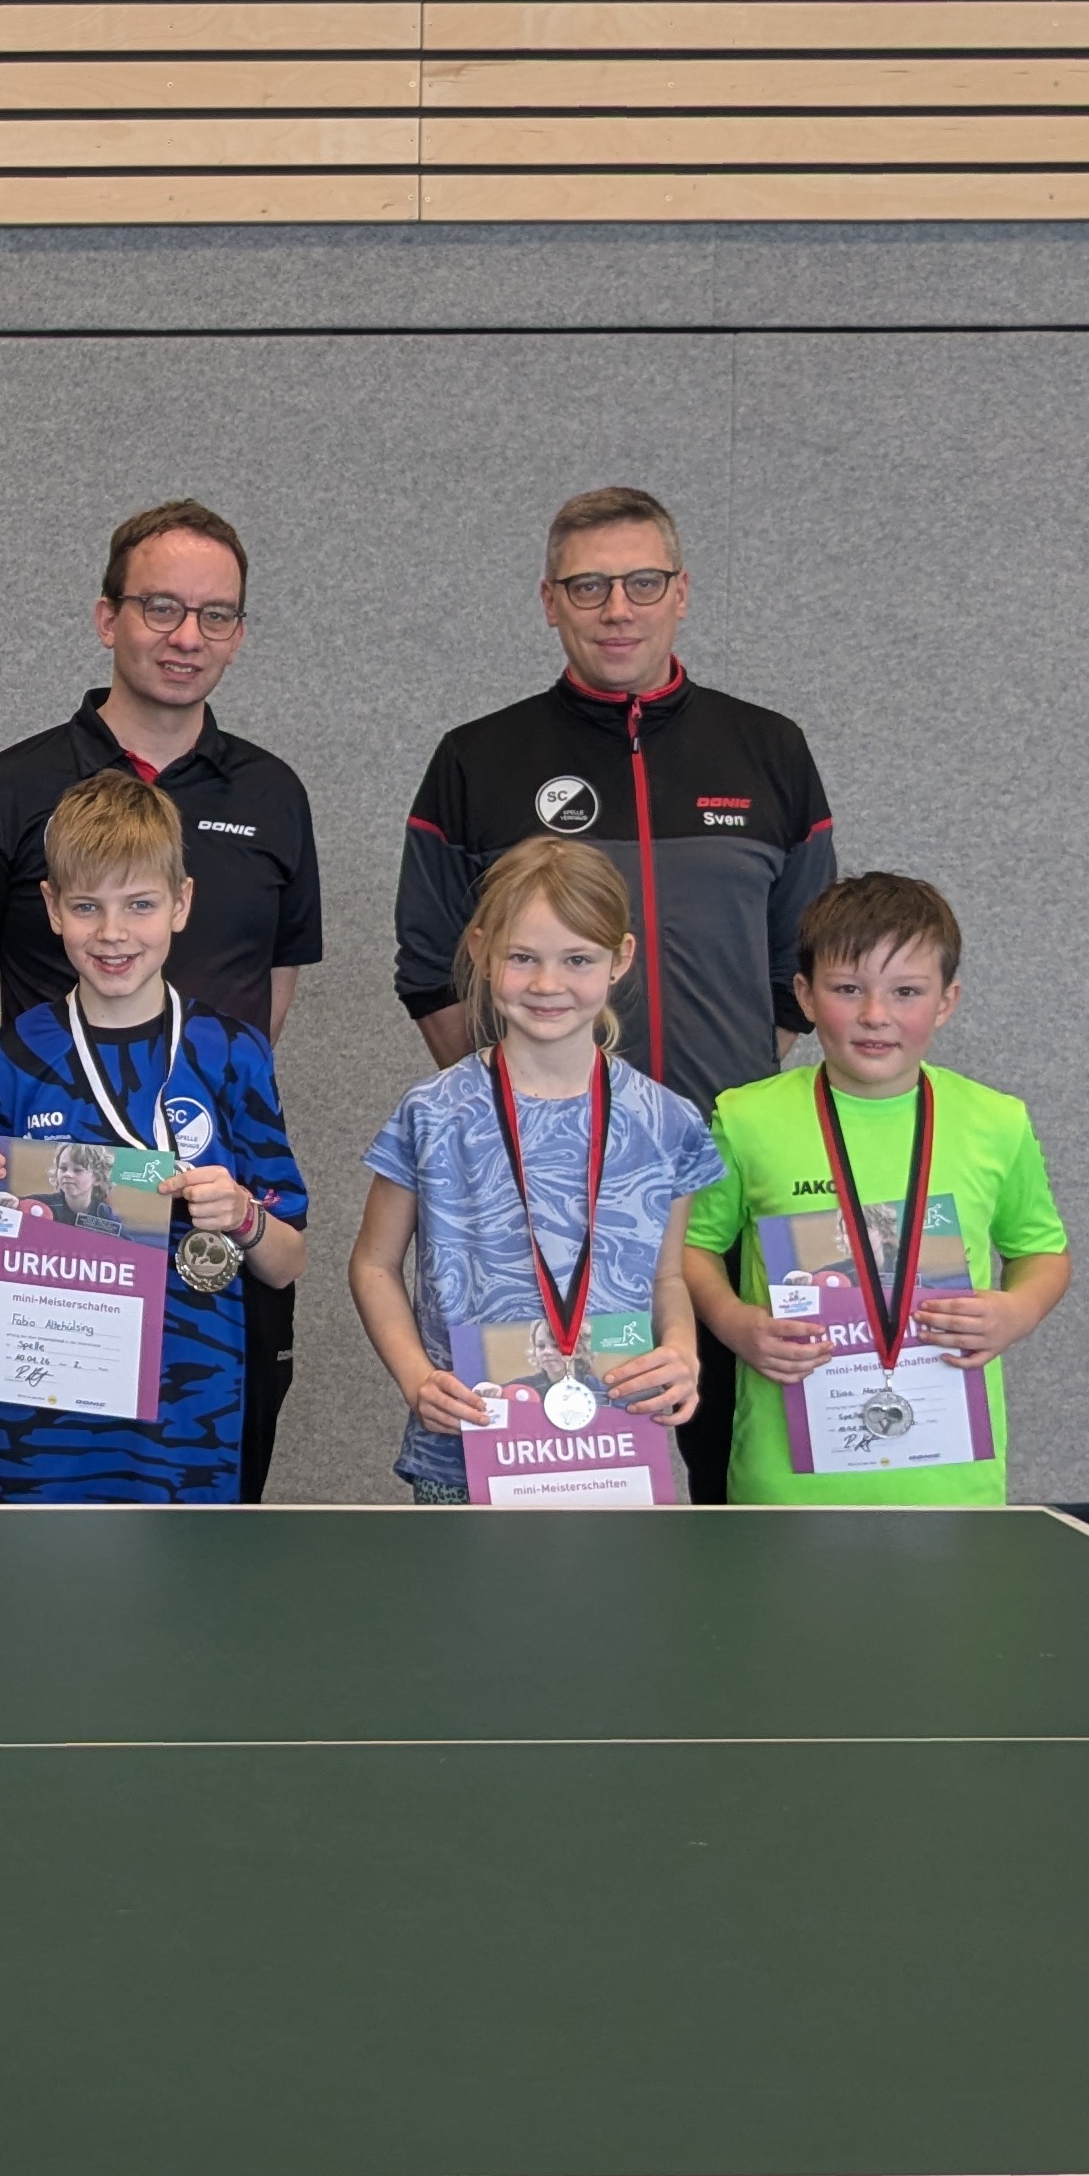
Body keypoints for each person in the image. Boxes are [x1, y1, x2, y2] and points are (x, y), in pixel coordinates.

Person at [395, 486, 832, 1501]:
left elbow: (799, 969)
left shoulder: (768, 749)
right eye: (588, 587)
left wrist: (712, 1105)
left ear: (682, 592)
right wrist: (523, 1111)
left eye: (642, 582)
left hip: (720, 1177)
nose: (617, 608)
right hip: (535, 1206)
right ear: (549, 601)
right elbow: (430, 965)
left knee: (724, 1466)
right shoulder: (477, 759)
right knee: (551, 1480)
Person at [0, 498, 323, 1497]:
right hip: (57, 1293)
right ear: (108, 616)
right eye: (161, 606)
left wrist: (191, 1097)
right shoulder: (9, 787)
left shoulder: (274, 795)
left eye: (215, 614)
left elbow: (273, 991)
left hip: (206, 1268)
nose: (187, 634)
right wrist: (11, 1170)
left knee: (209, 1542)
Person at [0, 770, 305, 1505]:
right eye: (87, 906)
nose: (112, 933)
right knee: (43, 1575)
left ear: (181, 903)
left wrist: (242, 1215)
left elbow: (286, 1260)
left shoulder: (231, 1052)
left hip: (192, 1420)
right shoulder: (12, 1059)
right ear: (52, 908)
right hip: (50, 1420)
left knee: (187, 1578)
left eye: (140, 904)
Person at [679, 872, 1071, 1508]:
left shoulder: (997, 1121)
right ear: (805, 996)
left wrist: (1016, 1312)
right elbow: (692, 1246)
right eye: (847, 989)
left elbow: (1042, 1252)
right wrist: (732, 1322)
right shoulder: (746, 1118)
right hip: (786, 1485)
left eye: (906, 991)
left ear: (946, 1001)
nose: (875, 1015)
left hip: (951, 1484)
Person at [345, 836, 719, 1502]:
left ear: (620, 959)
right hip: (465, 1453)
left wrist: (683, 1351)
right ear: (483, 953)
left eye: (578, 959)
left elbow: (666, 1276)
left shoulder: (668, 1122)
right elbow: (374, 1264)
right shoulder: (433, 1113)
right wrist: (415, 1377)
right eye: (523, 958)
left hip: (615, 1447)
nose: (548, 984)